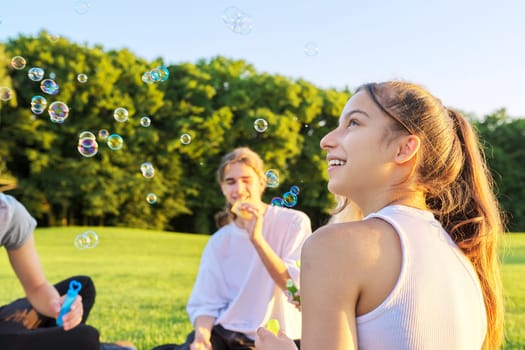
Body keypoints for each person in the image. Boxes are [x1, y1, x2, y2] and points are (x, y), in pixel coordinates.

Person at [255, 81, 504, 350]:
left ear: (404, 148)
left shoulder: (335, 246)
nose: (326, 141)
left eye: (353, 123)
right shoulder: (462, 257)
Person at [154, 147, 312, 350]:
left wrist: (257, 240)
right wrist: (201, 338)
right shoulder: (219, 241)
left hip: (273, 340)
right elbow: (206, 301)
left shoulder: (292, 222)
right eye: (230, 182)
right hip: (223, 334)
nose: (238, 189)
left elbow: (295, 291)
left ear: (262, 183)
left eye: (247, 180)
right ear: (222, 188)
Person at [0, 190, 136, 350]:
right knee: (85, 337)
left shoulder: (9, 214)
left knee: (82, 286)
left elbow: (37, 287)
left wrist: (56, 305)